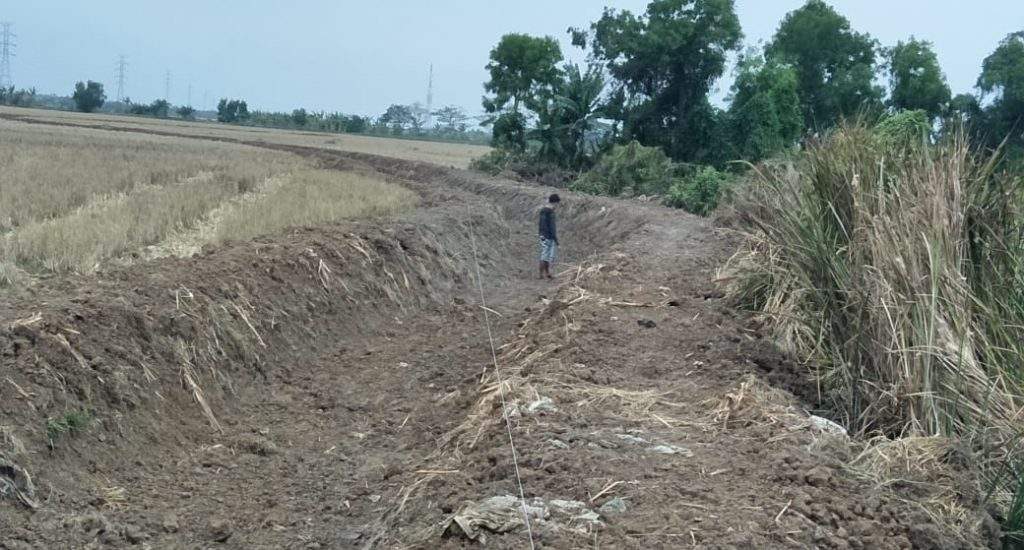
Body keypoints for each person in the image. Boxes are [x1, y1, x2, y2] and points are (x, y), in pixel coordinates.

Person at [538, 194, 560, 279]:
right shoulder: (550, 212)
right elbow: (551, 227)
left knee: (544, 255)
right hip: (549, 236)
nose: (557, 206)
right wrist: (555, 239)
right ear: (555, 202)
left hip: (543, 235)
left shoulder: (543, 211)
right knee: (547, 256)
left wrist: (541, 234)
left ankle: (544, 273)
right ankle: (546, 273)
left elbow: (541, 224)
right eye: (557, 203)